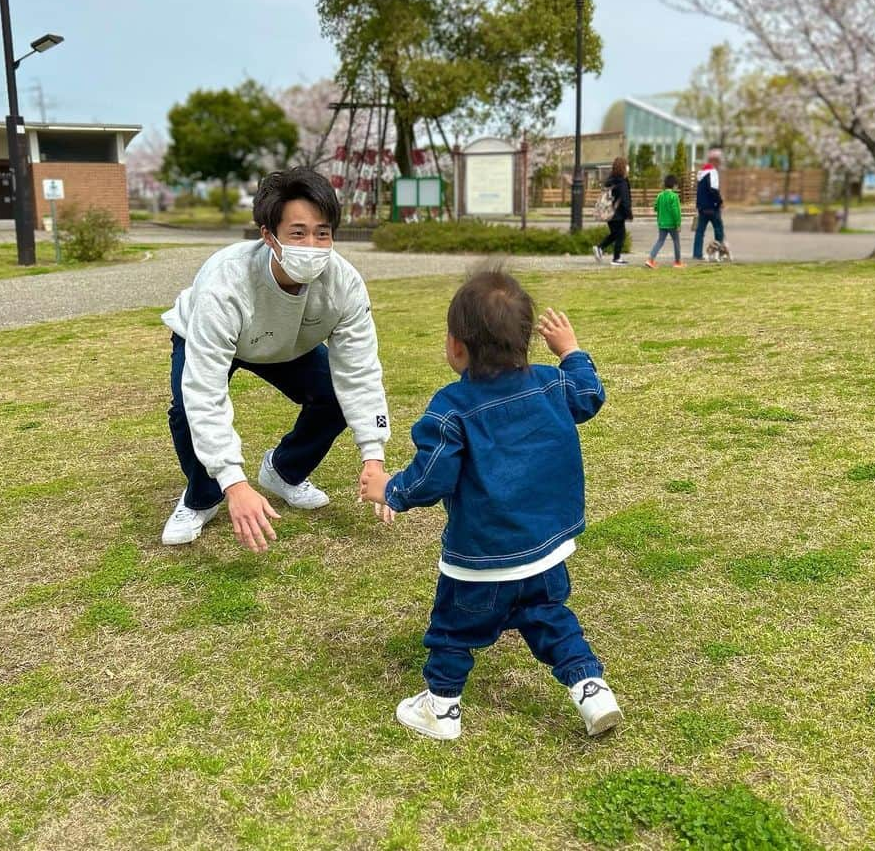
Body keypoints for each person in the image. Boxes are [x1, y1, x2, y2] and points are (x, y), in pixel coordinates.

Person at [359, 269, 622, 741]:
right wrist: (571, 351)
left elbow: (430, 478)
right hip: (546, 551)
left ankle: (441, 710)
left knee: (452, 632)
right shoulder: (552, 385)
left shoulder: (452, 408)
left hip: (481, 560)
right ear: (526, 340)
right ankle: (590, 686)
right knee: (549, 617)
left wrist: (388, 487)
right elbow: (588, 393)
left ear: (456, 347)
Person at [160, 167, 393, 552]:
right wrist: (234, 482)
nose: (313, 245)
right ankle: (202, 498)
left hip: (286, 343)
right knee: (187, 407)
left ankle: (284, 471)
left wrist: (374, 455)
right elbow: (205, 390)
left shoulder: (344, 284)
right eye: (298, 233)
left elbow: (360, 371)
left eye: (323, 232)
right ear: (268, 236)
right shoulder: (226, 283)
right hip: (213, 335)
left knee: (333, 394)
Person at [593, 156, 632, 266]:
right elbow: (624, 200)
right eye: (626, 165)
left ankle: (600, 248)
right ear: (623, 168)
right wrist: (628, 213)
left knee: (615, 234)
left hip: (608, 212)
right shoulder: (622, 182)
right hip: (617, 213)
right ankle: (616, 258)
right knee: (621, 235)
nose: (628, 168)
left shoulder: (610, 180)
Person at [645, 174, 685, 269]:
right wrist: (678, 223)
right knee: (676, 242)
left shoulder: (660, 195)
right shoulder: (674, 196)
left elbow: (655, 207)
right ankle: (678, 262)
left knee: (660, 241)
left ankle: (650, 260)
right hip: (672, 224)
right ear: (674, 185)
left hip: (662, 223)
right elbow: (676, 211)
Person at [692, 147, 725, 261]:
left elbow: (698, 192)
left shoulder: (701, 174)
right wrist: (720, 202)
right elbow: (713, 189)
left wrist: (698, 206)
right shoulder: (713, 172)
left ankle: (697, 254)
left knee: (700, 232)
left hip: (702, 208)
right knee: (719, 230)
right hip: (712, 207)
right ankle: (720, 253)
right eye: (718, 160)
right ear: (714, 161)